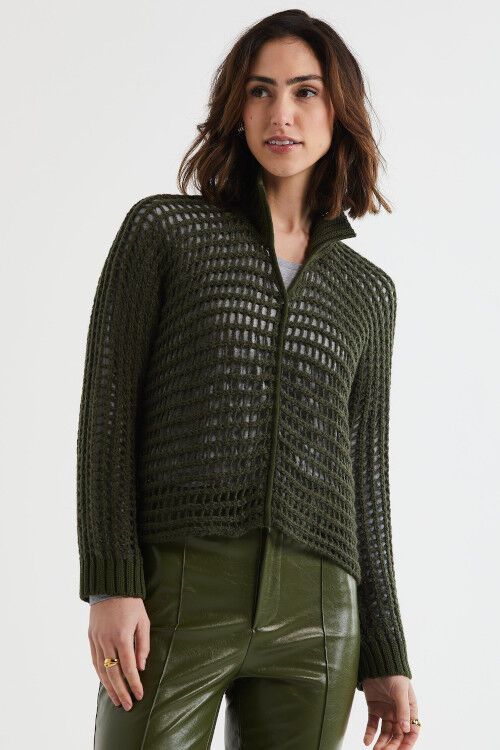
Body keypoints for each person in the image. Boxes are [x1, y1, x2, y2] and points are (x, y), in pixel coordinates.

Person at [77, 9, 421, 749]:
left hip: (319, 613)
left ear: (339, 112)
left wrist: (385, 651)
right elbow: (108, 415)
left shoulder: (368, 292)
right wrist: (111, 582)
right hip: (177, 592)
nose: (281, 114)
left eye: (305, 92)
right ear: (237, 108)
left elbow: (366, 479)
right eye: (261, 91)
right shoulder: (165, 233)